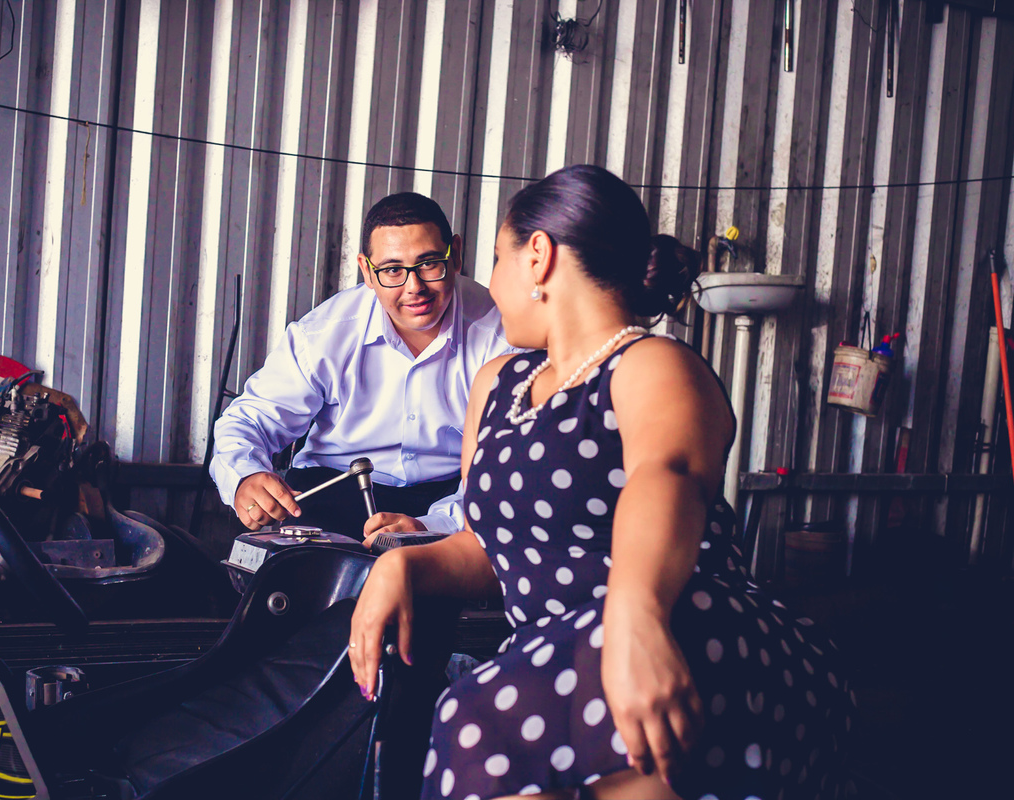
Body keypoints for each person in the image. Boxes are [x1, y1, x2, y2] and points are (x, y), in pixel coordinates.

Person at [348, 165, 854, 800]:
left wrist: (636, 617)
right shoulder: (498, 385)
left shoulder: (652, 364)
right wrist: (406, 568)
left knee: (481, 719)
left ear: (538, 257)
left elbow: (664, 478)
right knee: (476, 718)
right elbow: (492, 546)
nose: (492, 284)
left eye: (497, 260)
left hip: (680, 629)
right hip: (552, 655)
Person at [212, 192, 519, 541]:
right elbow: (248, 420)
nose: (414, 287)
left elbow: (507, 469)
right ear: (367, 271)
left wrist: (435, 525)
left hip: (454, 501)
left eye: (429, 263)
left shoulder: (504, 335)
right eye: (392, 270)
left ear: (457, 255)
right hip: (333, 491)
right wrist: (244, 476)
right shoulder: (325, 334)